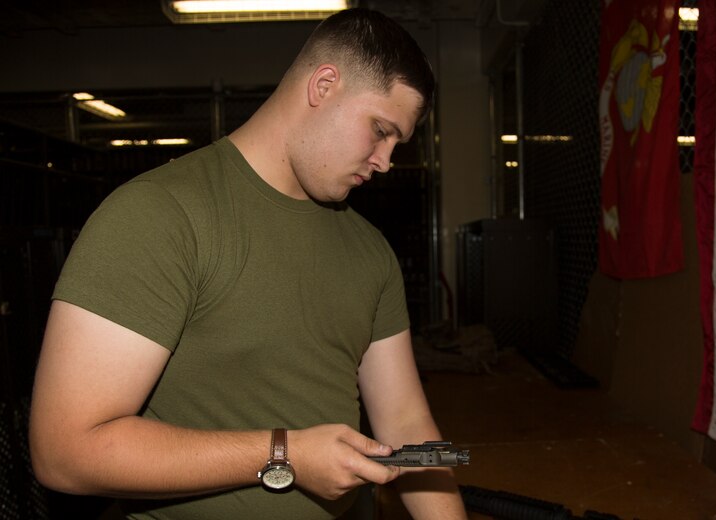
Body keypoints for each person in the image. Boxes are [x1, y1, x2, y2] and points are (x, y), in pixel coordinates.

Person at [28, 7, 468, 520]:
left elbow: (405, 421)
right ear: (324, 85)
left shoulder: (370, 249)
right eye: (380, 130)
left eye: (398, 143)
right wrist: (284, 455)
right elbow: (64, 452)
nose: (386, 161)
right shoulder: (159, 216)